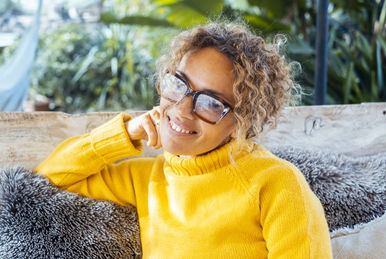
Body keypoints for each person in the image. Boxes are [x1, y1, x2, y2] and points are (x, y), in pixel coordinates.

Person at [35, 22, 333, 258]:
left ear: (242, 122)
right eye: (179, 85)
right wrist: (125, 132)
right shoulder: (145, 180)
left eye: (211, 103)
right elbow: (47, 180)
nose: (182, 109)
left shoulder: (277, 183)